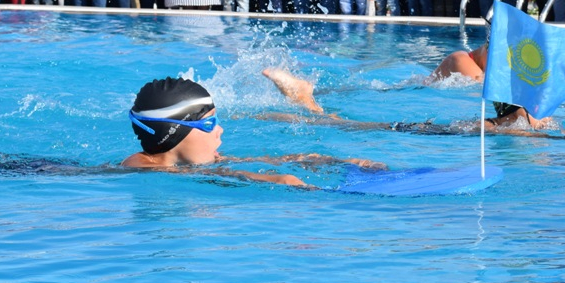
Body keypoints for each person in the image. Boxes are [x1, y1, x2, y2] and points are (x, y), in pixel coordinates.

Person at [261, 66, 565, 139]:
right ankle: (306, 103)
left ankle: (306, 103)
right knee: (351, 128)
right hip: (441, 132)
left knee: (353, 127)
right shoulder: (504, 127)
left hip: (442, 129)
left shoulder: (536, 124)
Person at [123, 77, 382, 187]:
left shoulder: (187, 162)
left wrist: (326, 160)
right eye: (209, 124)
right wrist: (276, 180)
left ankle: (304, 100)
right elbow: (225, 175)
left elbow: (235, 166)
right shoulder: (139, 165)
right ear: (174, 134)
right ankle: (304, 100)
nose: (220, 131)